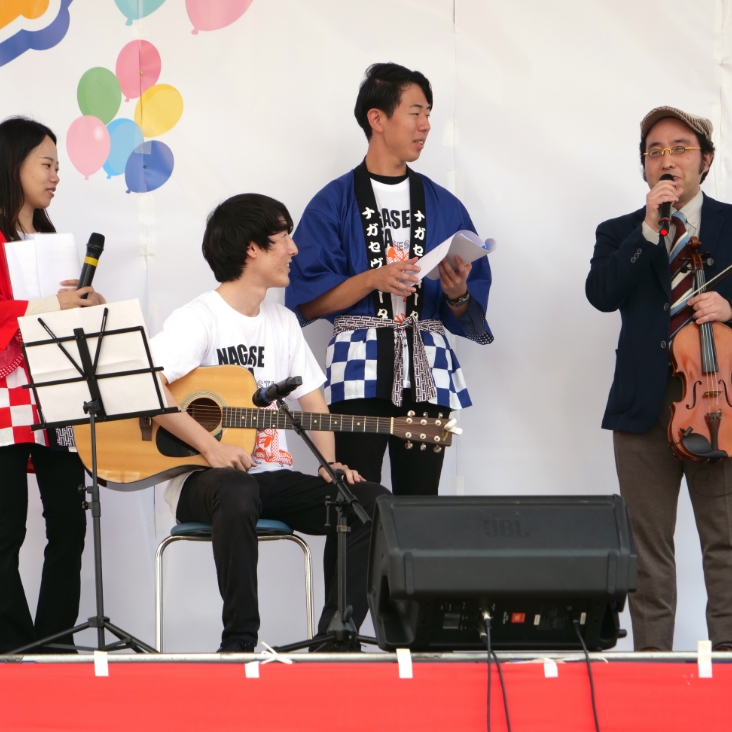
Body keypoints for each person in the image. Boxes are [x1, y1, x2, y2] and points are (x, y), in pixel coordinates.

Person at [150, 193, 388, 653]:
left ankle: (336, 638)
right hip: (201, 481)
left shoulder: (282, 322)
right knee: (237, 489)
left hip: (270, 478)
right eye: (284, 238)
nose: (294, 249)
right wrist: (212, 448)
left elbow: (313, 403)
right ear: (252, 248)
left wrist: (329, 465)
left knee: (368, 501)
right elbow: (149, 388)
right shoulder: (198, 318)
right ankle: (239, 642)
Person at [286, 63, 493, 496]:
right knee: (355, 499)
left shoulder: (445, 204)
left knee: (421, 503)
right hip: (357, 364)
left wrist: (456, 294)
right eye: (415, 112)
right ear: (377, 119)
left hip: (428, 365)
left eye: (428, 113)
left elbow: (468, 311)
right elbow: (307, 302)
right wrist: (371, 279)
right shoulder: (333, 202)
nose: (426, 125)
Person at [586, 106, 732, 651]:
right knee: (648, 552)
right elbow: (602, 294)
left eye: (680, 148)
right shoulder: (620, 231)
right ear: (645, 167)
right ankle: (653, 672)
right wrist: (648, 230)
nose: (666, 159)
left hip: (718, 401)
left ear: (706, 160)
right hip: (642, 405)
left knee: (726, 544)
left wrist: (731, 307)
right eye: (655, 151)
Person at [0, 117, 105, 653]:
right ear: (12, 165)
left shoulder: (49, 242)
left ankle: (55, 642)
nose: (56, 175)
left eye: (58, 166)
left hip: (57, 398)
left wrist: (88, 307)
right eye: (46, 164)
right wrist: (51, 304)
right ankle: (13, 644)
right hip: (6, 401)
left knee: (69, 525)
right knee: (6, 530)